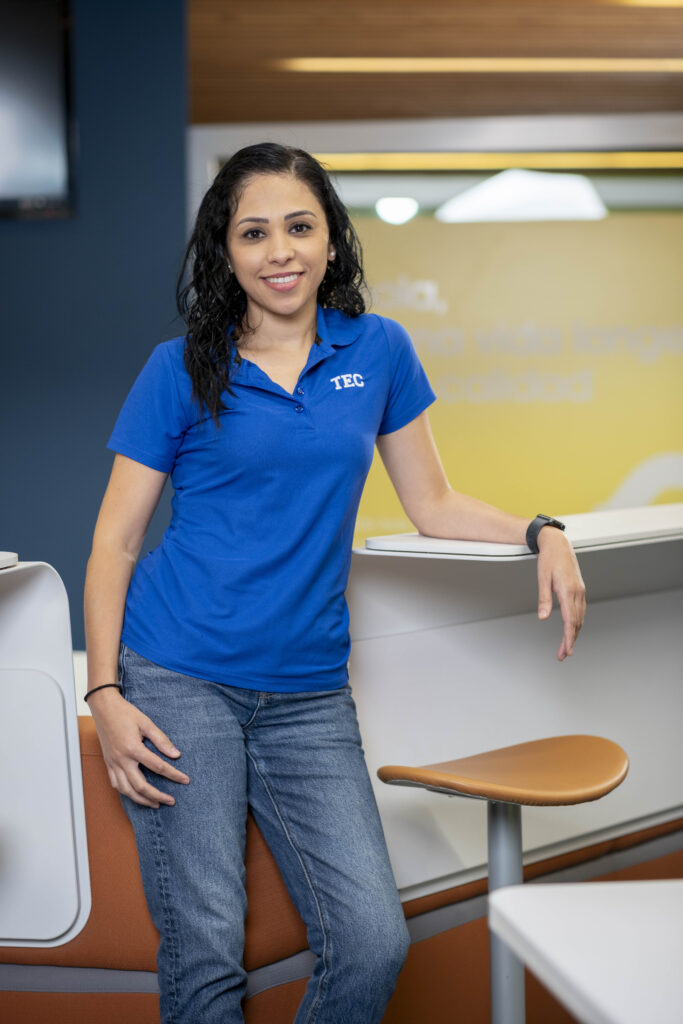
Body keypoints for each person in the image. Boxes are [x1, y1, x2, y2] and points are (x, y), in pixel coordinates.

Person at [84, 142, 585, 1024]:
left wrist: (540, 530)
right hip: (178, 677)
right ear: (224, 250)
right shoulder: (179, 367)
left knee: (371, 941)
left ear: (329, 238)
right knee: (205, 953)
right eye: (253, 233)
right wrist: (105, 691)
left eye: (298, 227)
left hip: (309, 694)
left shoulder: (378, 349)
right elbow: (115, 543)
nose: (279, 251)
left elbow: (432, 502)